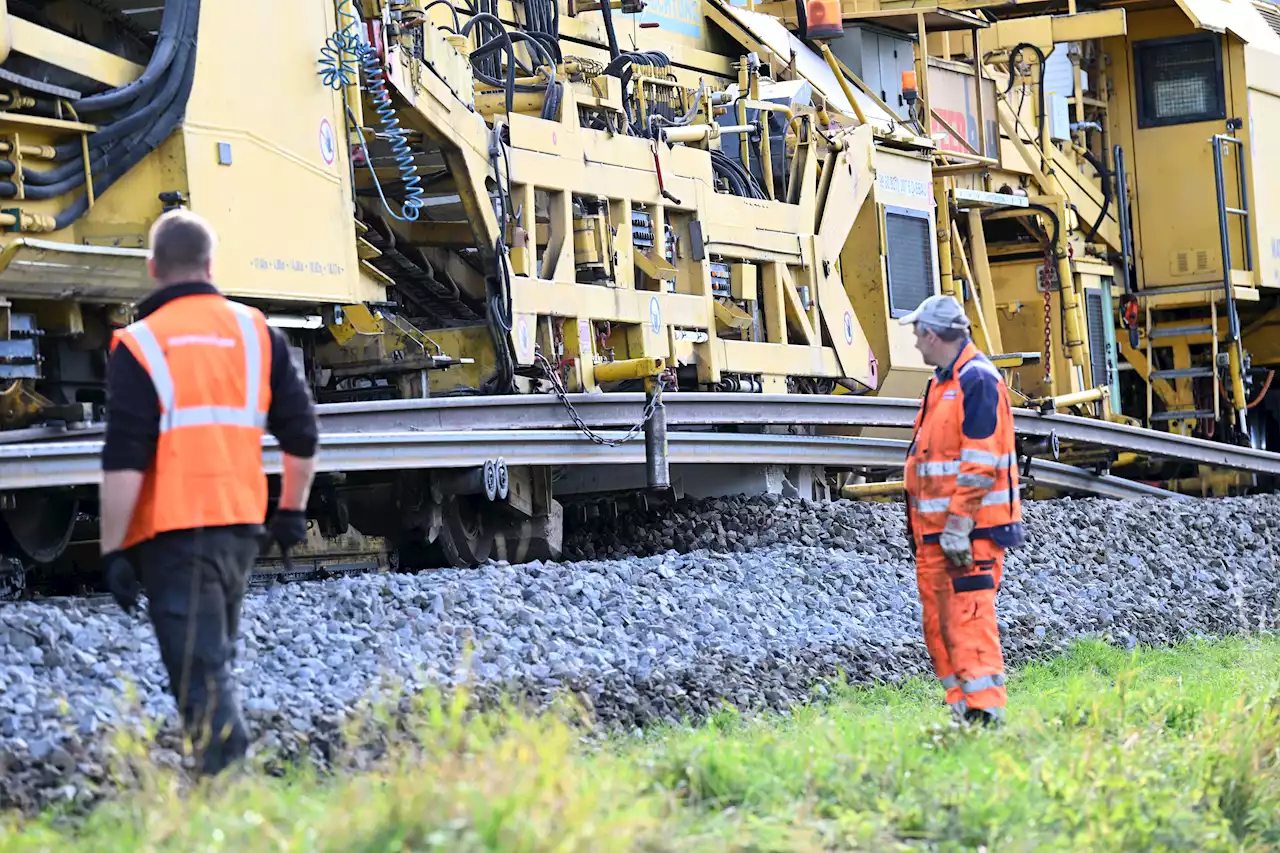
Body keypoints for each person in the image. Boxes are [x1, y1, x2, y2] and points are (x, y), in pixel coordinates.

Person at [98, 208, 320, 775]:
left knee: (198, 668)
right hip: (240, 528)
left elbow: (124, 456)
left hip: (173, 533)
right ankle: (220, 785)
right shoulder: (256, 332)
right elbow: (302, 433)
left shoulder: (141, 344)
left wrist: (114, 548)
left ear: (152, 267)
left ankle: (229, 789)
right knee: (212, 657)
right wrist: (291, 511)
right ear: (211, 265)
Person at [899, 294, 1025, 727]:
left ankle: (986, 715)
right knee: (939, 627)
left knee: (967, 621)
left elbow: (980, 463)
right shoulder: (942, 382)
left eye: (917, 335)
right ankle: (965, 714)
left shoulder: (976, 381)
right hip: (936, 534)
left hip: (971, 534)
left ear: (933, 335)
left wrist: (958, 525)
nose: (915, 344)